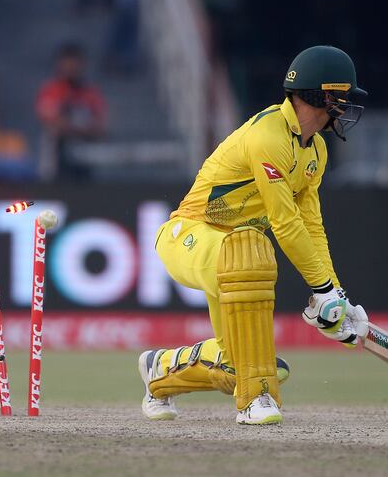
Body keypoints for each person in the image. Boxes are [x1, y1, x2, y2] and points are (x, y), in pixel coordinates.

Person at [138, 45, 370, 425]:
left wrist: (334, 296)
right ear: (323, 95)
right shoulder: (268, 136)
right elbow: (285, 224)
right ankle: (256, 397)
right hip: (189, 236)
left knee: (236, 364)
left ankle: (159, 371)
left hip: (232, 253)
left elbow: (311, 226)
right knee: (249, 252)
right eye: (342, 98)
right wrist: (323, 290)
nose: (346, 108)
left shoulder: (316, 153)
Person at [35, 43, 107, 181]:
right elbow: (52, 122)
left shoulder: (90, 93)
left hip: (85, 163)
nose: (71, 68)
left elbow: (101, 127)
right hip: (55, 163)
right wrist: (80, 127)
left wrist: (76, 128)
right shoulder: (51, 91)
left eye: (75, 63)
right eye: (68, 63)